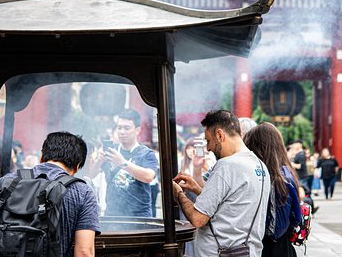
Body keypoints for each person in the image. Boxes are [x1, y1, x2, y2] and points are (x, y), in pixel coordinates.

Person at [0, 131, 100, 257]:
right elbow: (84, 252)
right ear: (77, 166)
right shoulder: (83, 192)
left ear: (42, 157)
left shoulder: (9, 181)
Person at [172, 110, 270, 257]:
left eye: (208, 141)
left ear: (219, 134)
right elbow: (231, 203)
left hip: (218, 252)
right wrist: (198, 189)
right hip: (248, 251)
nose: (208, 148)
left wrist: (179, 194)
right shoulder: (260, 165)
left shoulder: (226, 165)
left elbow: (198, 219)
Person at [243, 122, 302, 257]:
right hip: (284, 246)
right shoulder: (286, 172)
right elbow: (296, 217)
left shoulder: (274, 180)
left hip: (270, 248)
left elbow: (274, 229)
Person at [100, 109, 159, 217]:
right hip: (112, 215)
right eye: (119, 127)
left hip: (139, 216)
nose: (122, 132)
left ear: (137, 130)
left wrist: (122, 162)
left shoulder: (146, 153)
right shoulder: (112, 151)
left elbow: (149, 176)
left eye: (127, 128)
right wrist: (99, 160)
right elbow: (91, 173)